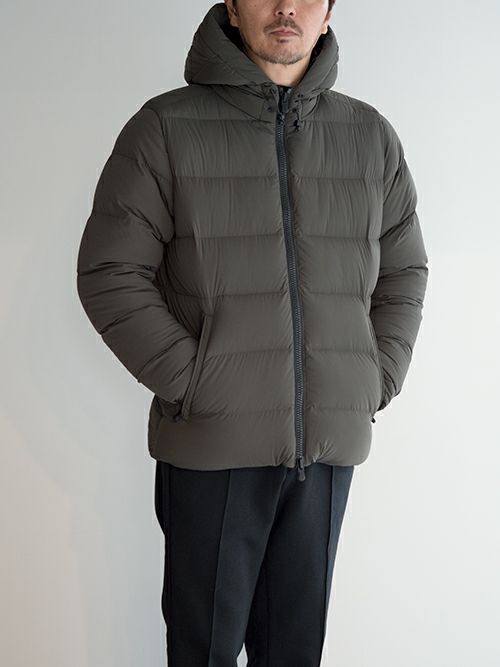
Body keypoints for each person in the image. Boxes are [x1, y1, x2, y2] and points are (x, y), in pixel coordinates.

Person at [76, 1, 429, 664]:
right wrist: (200, 384)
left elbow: (403, 271)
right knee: (204, 650)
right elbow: (109, 272)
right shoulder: (164, 128)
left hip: (326, 450)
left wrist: (373, 380)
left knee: (295, 651)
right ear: (234, 8)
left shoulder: (369, 136)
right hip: (213, 449)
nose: (286, 7)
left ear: (328, 14)